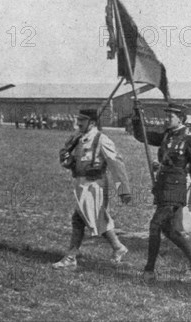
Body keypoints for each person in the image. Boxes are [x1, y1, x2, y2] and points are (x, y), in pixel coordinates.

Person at [132, 102, 191, 281]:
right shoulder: (167, 134)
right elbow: (142, 136)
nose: (166, 119)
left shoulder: (188, 139)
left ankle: (149, 270)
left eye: (170, 116)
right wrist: (137, 116)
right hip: (162, 187)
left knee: (155, 225)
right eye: (166, 116)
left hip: (175, 188)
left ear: (180, 119)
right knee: (168, 229)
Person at [53, 109, 132, 270]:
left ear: (93, 123)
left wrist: (123, 189)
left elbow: (116, 164)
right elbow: (70, 160)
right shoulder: (78, 138)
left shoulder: (102, 139)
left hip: (95, 184)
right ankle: (118, 247)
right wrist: (67, 159)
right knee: (94, 218)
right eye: (78, 119)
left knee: (81, 218)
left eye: (82, 120)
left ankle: (71, 257)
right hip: (81, 183)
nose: (78, 123)